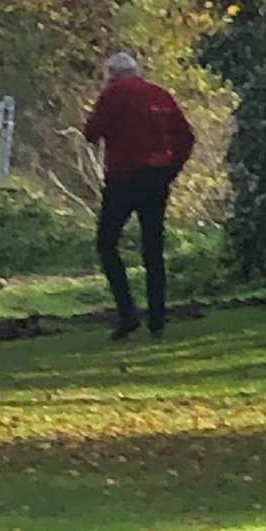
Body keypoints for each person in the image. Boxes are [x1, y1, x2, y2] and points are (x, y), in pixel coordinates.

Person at [85, 52, 195, 341]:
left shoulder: (113, 94)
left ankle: (127, 313)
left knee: (107, 244)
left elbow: (91, 132)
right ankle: (157, 320)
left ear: (112, 74)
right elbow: (186, 136)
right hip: (155, 178)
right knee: (153, 249)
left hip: (123, 177)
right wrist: (171, 169)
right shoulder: (159, 94)